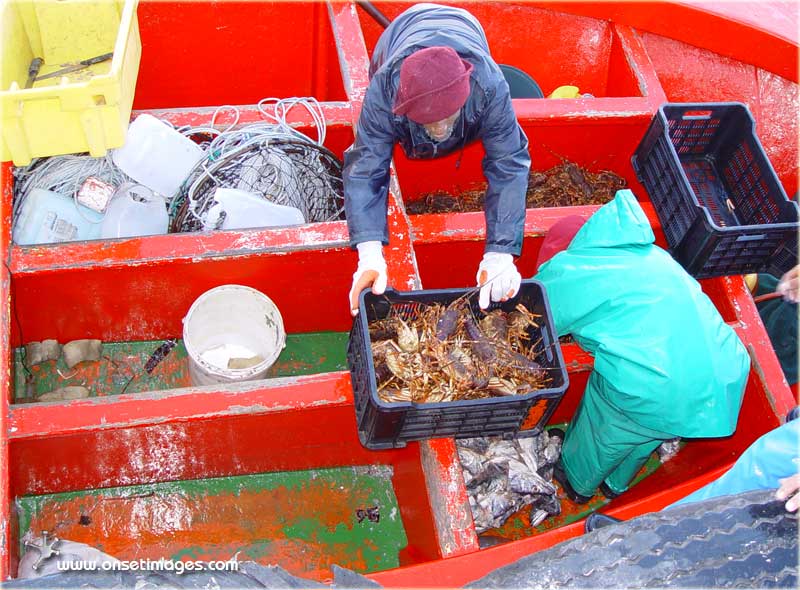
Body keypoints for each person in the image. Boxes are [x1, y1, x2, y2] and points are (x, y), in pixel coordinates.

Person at [533, 190, 750, 503]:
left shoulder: (574, 271)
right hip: (721, 372)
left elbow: (538, 318)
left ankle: (576, 483)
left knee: (605, 428)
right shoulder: (646, 253)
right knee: (649, 431)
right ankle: (616, 486)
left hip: (656, 382)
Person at [344, 3, 530, 315]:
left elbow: (509, 164)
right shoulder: (383, 91)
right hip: (399, 34)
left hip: (465, 27)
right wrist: (369, 253)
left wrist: (500, 253)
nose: (440, 130)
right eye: (430, 124)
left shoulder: (491, 87)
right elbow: (366, 168)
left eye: (447, 120)